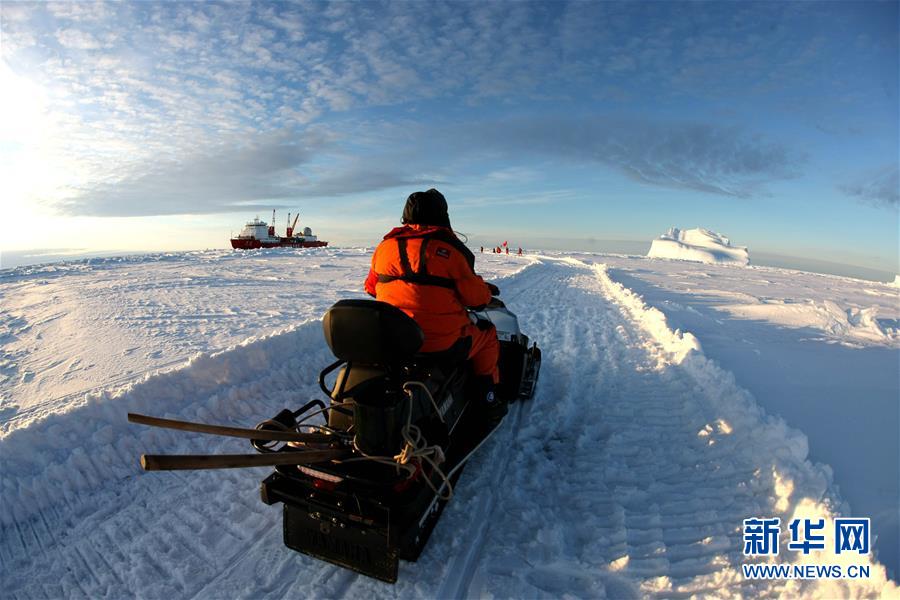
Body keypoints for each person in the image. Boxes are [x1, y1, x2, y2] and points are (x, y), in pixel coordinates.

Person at [364, 189, 506, 428]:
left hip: (393, 339)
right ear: (443, 214)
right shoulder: (452, 250)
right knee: (488, 335)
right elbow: (476, 300)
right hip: (440, 343)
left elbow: (371, 288)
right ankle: (488, 400)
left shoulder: (385, 247)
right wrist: (485, 291)